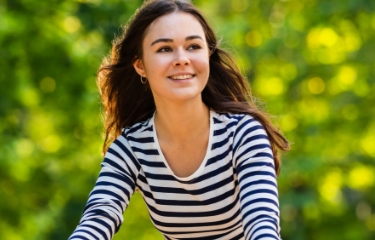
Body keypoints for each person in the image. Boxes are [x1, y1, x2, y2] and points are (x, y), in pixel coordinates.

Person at [69, 0, 289, 239]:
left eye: (193, 46)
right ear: (140, 65)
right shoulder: (131, 148)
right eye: (165, 49)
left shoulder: (243, 134)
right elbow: (98, 217)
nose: (182, 59)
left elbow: (263, 224)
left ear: (208, 55)